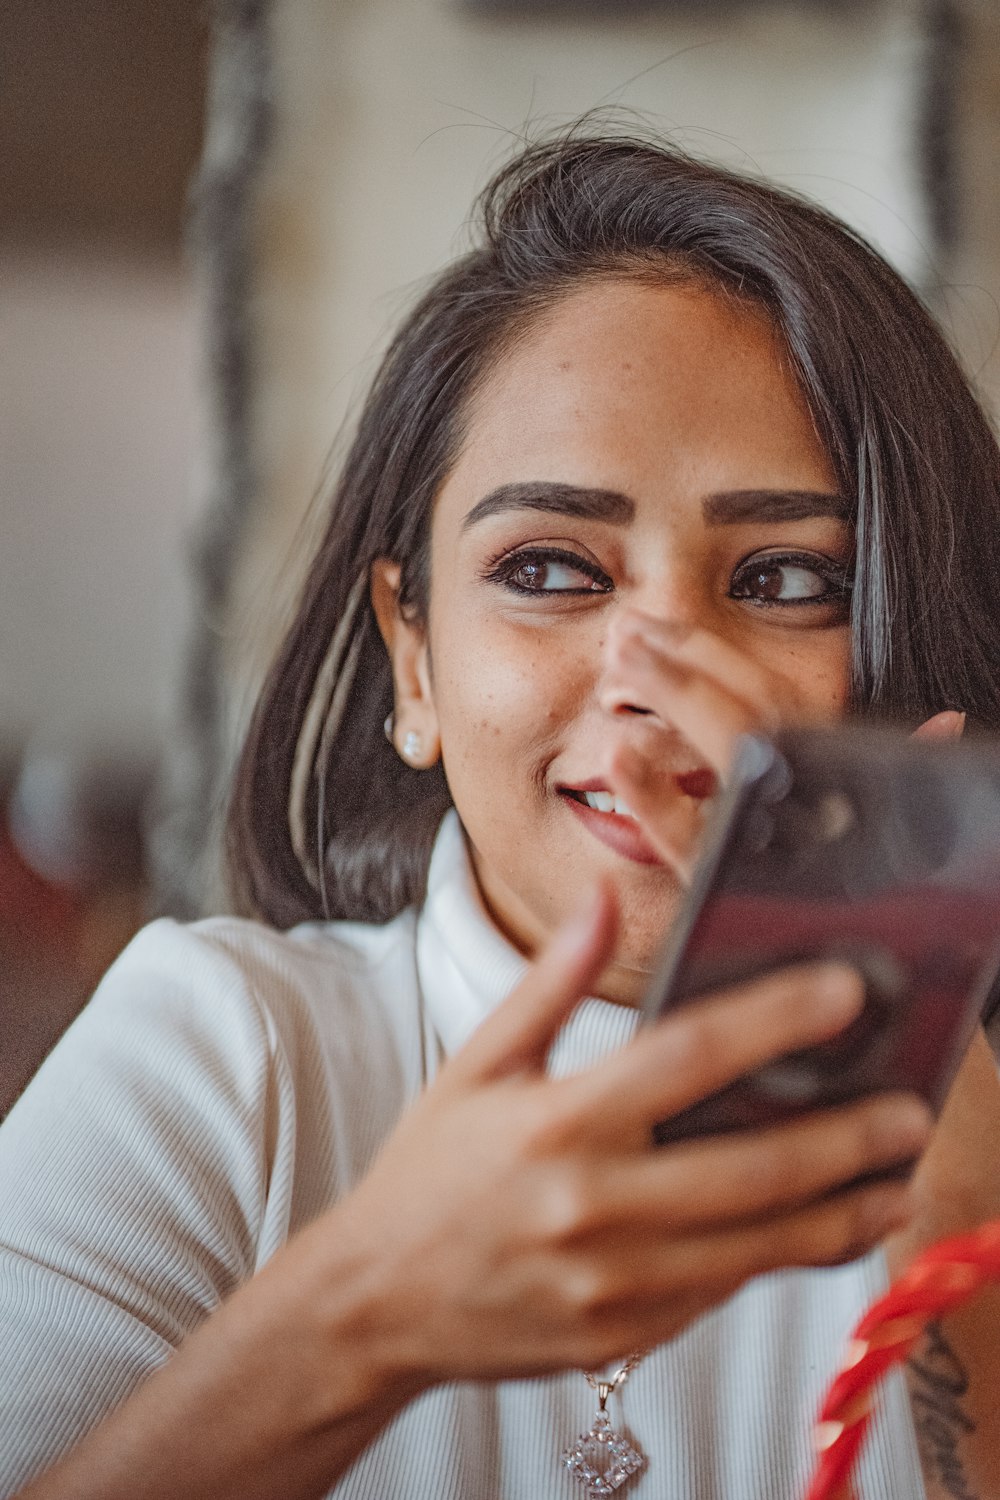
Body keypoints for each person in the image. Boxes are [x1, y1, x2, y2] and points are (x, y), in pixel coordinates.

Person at [2, 131, 1000, 1500]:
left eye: (779, 582)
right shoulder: (230, 1053)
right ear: (413, 658)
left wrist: (957, 1209)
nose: (654, 677)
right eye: (549, 567)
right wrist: (368, 1316)